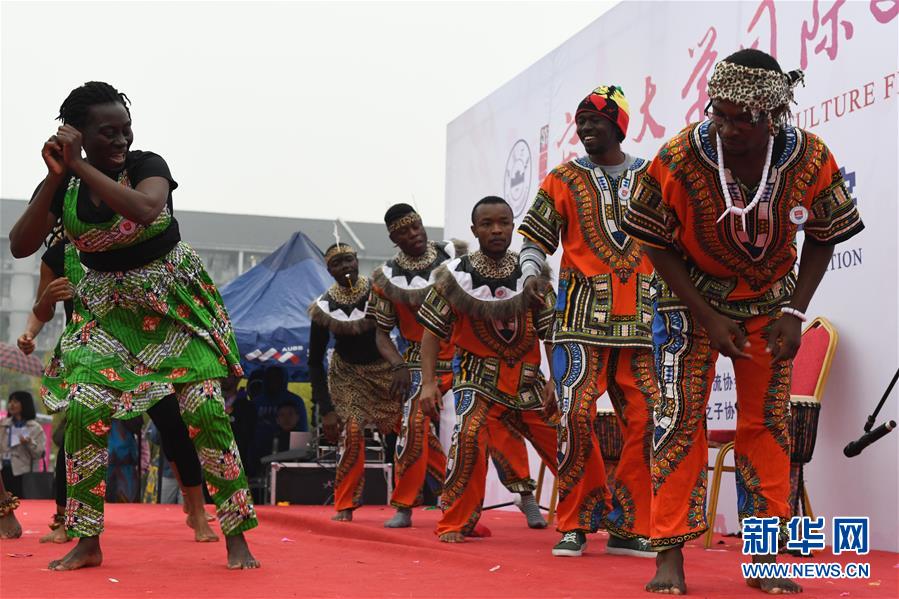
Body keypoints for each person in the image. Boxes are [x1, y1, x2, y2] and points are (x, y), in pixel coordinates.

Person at [622, 49, 864, 595]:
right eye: (718, 113)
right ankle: (669, 554)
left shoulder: (808, 157)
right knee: (678, 419)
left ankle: (764, 561)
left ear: (772, 115)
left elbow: (824, 234)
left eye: (740, 118)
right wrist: (706, 316)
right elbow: (653, 241)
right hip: (688, 302)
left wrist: (795, 312)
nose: (726, 127)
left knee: (768, 425)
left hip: (771, 306)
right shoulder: (682, 156)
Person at [8, 81, 258, 570]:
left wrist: (79, 163)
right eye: (108, 133)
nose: (122, 140)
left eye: (126, 129)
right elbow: (21, 245)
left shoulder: (148, 166)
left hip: (172, 308)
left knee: (205, 414)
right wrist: (57, 179)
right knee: (83, 412)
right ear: (78, 135)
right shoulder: (66, 184)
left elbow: (146, 210)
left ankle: (237, 535)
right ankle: (87, 540)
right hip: (109, 314)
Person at [518, 85, 660, 558]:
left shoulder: (652, 176)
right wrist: (533, 273)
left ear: (618, 124)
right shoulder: (563, 178)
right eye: (580, 122)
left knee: (646, 419)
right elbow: (536, 238)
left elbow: (676, 240)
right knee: (576, 417)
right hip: (579, 318)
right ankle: (577, 520)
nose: (585, 129)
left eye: (595, 121)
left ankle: (631, 524)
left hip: (644, 320)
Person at [19, 233, 219, 544]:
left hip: (140, 351)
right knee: (78, 427)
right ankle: (64, 518)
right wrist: (31, 330)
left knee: (173, 422)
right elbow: (40, 309)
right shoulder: (59, 257)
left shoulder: (133, 243)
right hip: (89, 354)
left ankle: (195, 508)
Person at [417, 196, 559, 542]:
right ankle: (455, 521)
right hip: (475, 377)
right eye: (487, 224)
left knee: (568, 438)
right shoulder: (454, 275)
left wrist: (557, 378)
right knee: (467, 435)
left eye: (503, 223)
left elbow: (551, 333)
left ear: (513, 225)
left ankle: (594, 514)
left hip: (528, 380)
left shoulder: (534, 273)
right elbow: (432, 332)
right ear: (474, 229)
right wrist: (428, 383)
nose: (496, 230)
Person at [368, 204, 466, 528]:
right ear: (393, 237)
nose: (415, 234)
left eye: (417, 226)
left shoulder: (455, 257)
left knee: (469, 432)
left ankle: (514, 498)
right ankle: (405, 506)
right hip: (417, 362)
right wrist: (397, 365)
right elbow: (381, 334)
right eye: (405, 232)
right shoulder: (385, 277)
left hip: (464, 357)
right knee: (411, 430)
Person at [308, 242, 399, 520]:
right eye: (337, 263)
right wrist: (326, 409)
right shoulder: (324, 307)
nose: (345, 266)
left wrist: (403, 366)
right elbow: (315, 360)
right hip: (347, 376)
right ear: (329, 270)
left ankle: (416, 498)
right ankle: (346, 504)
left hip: (385, 372)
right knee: (354, 431)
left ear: (357, 260)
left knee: (407, 431)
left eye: (348, 260)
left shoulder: (380, 293)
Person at [0, 391, 47, 499]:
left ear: (25, 404)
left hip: (23, 474)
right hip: (3, 471)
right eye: (10, 401)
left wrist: (29, 443)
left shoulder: (35, 428)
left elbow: (39, 454)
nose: (11, 404)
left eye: (16, 401)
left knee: (21, 505)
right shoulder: (3, 424)